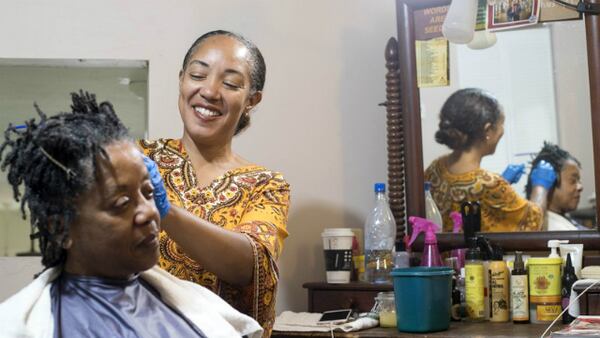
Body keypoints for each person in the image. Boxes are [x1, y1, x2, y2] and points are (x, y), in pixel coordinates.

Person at [0, 92, 263, 338]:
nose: (148, 213)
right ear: (61, 228)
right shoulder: (43, 325)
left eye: (148, 193)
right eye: (122, 203)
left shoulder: (196, 307)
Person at [138, 30, 290, 336]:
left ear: (252, 100)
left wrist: (164, 210)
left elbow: (250, 264)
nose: (209, 91)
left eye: (231, 83)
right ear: (182, 80)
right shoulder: (138, 157)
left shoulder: (265, 185)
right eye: (198, 74)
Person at [424, 88, 556, 232]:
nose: (502, 131)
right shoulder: (490, 183)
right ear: (487, 130)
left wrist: (502, 182)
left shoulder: (435, 169)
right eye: (501, 124)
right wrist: (541, 186)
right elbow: (533, 223)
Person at [526, 142, 586, 231]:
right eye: (573, 181)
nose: (580, 187)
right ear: (550, 185)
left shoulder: (562, 220)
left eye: (579, 181)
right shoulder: (558, 231)